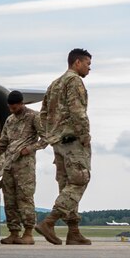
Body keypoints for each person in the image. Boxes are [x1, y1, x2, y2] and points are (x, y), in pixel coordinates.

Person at [34, 48, 93, 245]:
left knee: (67, 184)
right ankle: (49, 222)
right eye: (87, 64)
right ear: (77, 63)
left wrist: (50, 135)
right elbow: (78, 112)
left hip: (58, 142)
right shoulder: (74, 81)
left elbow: (42, 114)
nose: (89, 68)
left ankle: (73, 231)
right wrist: (84, 136)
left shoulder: (54, 84)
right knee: (79, 181)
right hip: (73, 140)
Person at [0, 91, 45, 245]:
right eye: (10, 107)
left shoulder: (34, 117)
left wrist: (31, 148)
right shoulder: (10, 120)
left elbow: (46, 138)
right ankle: (14, 232)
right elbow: (3, 142)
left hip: (25, 165)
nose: (12, 110)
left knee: (25, 198)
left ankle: (28, 232)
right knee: (9, 200)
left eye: (14, 107)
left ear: (21, 103)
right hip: (9, 165)